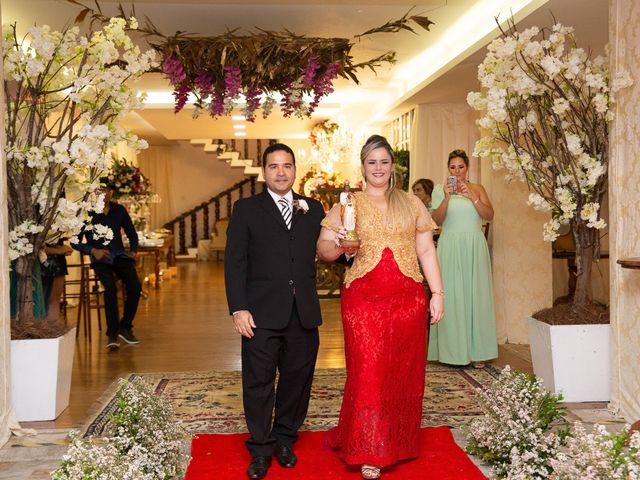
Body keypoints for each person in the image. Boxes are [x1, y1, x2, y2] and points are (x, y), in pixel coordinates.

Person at [317, 135, 444, 480]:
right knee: (369, 372)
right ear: (363, 167)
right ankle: (370, 448)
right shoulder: (349, 204)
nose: (378, 168)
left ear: (393, 167)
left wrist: (437, 293)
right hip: (363, 300)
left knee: (401, 371)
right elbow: (323, 249)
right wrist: (342, 246)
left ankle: (397, 441)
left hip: (407, 299)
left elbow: (426, 251)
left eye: (383, 162)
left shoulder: (411, 203)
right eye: (371, 162)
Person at [224, 143, 325, 480]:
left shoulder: (313, 208)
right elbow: (234, 262)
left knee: (297, 382)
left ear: (295, 170)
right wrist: (238, 308)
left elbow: (328, 250)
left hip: (303, 312)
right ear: (264, 172)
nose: (281, 172)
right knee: (258, 384)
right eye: (274, 167)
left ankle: (285, 438)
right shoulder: (246, 209)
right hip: (260, 313)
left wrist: (348, 246)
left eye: (287, 166)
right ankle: (261, 448)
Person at [428, 149, 498, 368]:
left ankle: (478, 352)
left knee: (476, 296)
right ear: (448, 169)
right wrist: (448, 197)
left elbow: (489, 215)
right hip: (450, 246)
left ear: (467, 168)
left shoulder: (478, 188)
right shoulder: (440, 190)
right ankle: (452, 352)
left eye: (460, 167)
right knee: (453, 296)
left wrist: (472, 197)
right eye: (452, 167)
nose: (456, 171)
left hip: (474, 246)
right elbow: (436, 220)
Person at [72, 178, 142, 350]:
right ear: (94, 193)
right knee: (110, 288)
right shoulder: (87, 213)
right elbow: (74, 241)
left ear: (111, 192)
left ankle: (125, 327)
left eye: (108, 190)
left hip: (119, 256)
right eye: (101, 191)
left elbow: (132, 234)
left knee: (135, 286)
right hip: (100, 259)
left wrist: (133, 251)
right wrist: (91, 250)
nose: (105, 194)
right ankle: (112, 333)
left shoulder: (119, 210)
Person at [41, 240, 73, 322]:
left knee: (55, 299)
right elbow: (37, 246)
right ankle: (43, 328)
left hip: (58, 261)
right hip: (43, 261)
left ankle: (52, 329)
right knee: (42, 299)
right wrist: (58, 250)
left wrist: (61, 248)